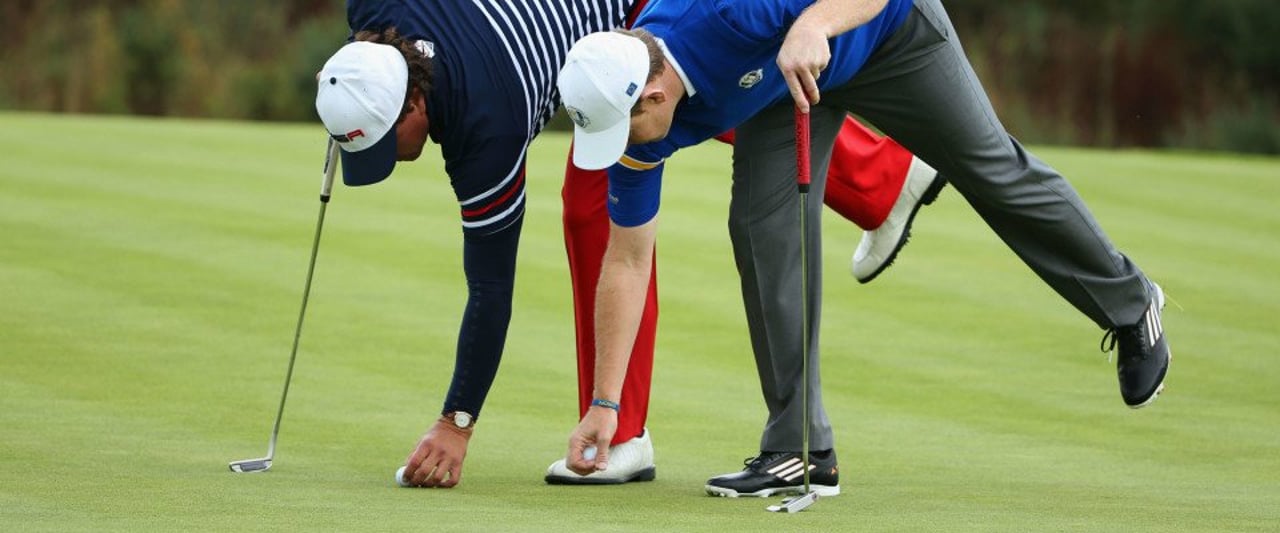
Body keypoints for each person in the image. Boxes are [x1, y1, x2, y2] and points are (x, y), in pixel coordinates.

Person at [558, 0, 1171, 498]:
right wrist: (605, 404)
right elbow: (627, 259)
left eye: (622, 127)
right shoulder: (639, 118)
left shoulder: (727, 11)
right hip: (787, 84)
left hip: (889, 36)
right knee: (760, 229)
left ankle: (1130, 303)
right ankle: (800, 449)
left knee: (992, 170)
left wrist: (814, 22)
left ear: (655, 96)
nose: (618, 145)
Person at [313, 0, 939, 487]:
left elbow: (491, 285)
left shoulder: (487, 121)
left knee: (621, 163)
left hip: (633, 18)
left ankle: (619, 432)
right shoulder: (372, 20)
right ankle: (881, 181)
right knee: (668, 113)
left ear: (414, 100)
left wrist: (458, 421)